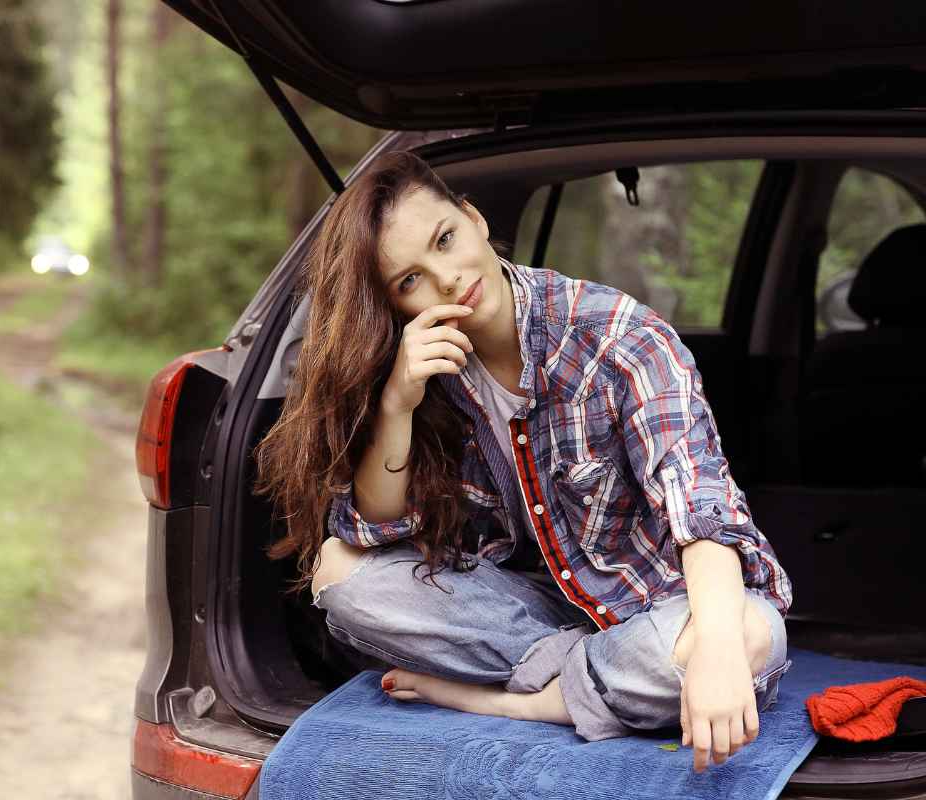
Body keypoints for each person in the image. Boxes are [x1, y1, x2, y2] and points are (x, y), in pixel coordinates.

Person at [252, 150, 793, 774]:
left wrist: (716, 650)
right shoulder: (422, 369)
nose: (447, 280)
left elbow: (700, 511)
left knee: (750, 636)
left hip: (663, 607)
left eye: (445, 240)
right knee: (340, 570)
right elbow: (374, 528)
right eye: (410, 280)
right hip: (533, 612)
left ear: (475, 219)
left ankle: (516, 704)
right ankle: (590, 687)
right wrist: (398, 403)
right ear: (394, 304)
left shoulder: (619, 337)